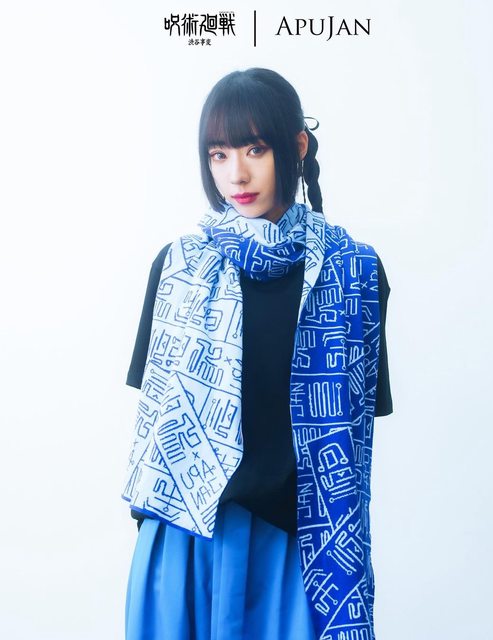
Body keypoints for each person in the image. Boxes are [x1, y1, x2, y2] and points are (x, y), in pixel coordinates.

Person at [122, 67, 393, 640]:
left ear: (297, 147)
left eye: (255, 149)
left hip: (304, 551)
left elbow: (358, 425)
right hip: (186, 540)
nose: (236, 174)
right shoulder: (178, 269)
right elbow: (153, 422)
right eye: (218, 155)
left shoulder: (356, 273)